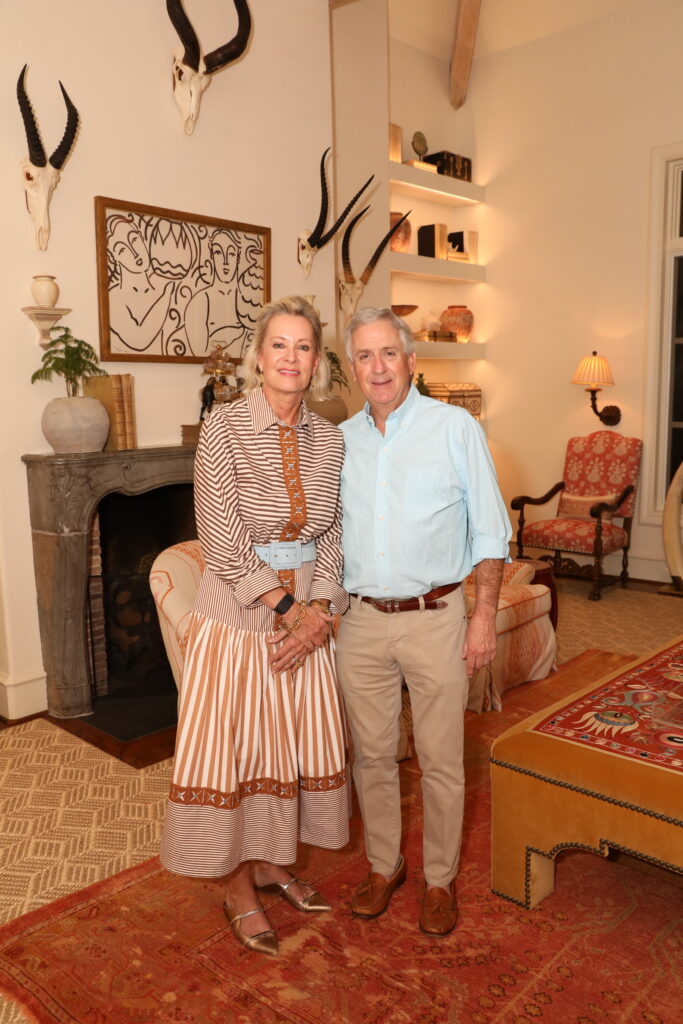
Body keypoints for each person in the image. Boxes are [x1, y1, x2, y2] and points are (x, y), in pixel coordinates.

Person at [160, 296, 350, 958]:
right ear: (258, 357)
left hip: (305, 627)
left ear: (316, 361)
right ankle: (237, 883)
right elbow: (221, 537)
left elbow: (332, 535)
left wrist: (319, 612)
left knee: (285, 753)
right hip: (239, 622)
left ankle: (272, 861)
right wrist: (290, 611)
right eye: (279, 345)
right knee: (239, 756)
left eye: (303, 347)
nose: (291, 358)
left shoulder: (330, 436)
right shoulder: (224, 427)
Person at [335, 307, 511, 937]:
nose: (377, 367)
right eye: (364, 356)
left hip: (437, 616)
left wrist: (483, 616)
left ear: (411, 361)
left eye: (389, 353)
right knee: (373, 758)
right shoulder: (339, 441)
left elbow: (492, 534)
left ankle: (440, 880)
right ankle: (385, 867)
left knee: (440, 760)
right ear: (352, 368)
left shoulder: (453, 428)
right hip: (358, 623)